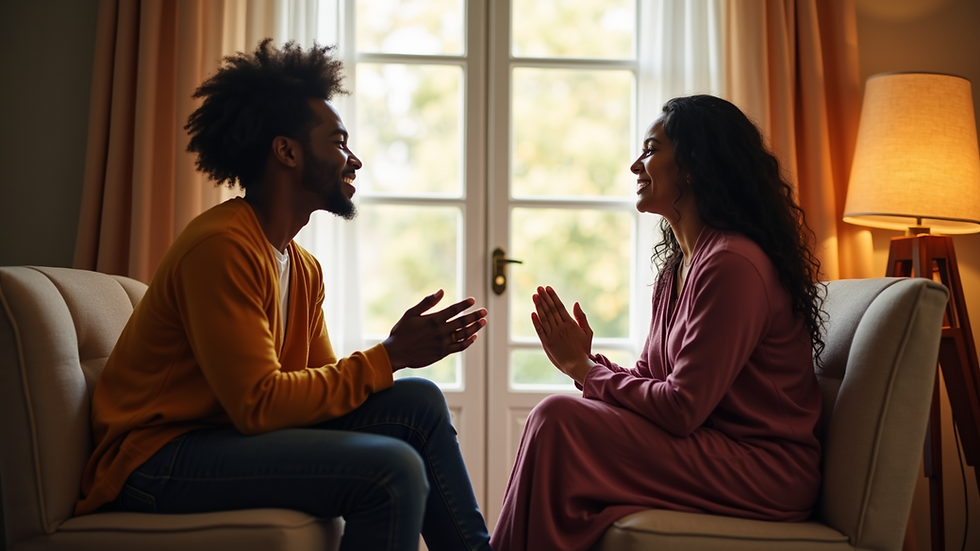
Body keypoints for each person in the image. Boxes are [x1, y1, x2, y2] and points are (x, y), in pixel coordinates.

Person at [76, 39, 493, 551]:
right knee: (391, 469)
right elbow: (259, 404)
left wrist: (394, 358)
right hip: (156, 461)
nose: (354, 159)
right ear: (287, 151)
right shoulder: (222, 247)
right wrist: (391, 354)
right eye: (339, 141)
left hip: (222, 437)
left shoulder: (303, 268)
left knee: (420, 403)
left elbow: (313, 394)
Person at [490, 94, 826, 551]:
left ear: (691, 164)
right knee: (555, 420)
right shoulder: (678, 268)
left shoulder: (733, 264)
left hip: (765, 470)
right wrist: (589, 362)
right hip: (711, 447)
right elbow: (654, 381)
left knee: (557, 418)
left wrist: (584, 371)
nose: (635, 165)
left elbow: (681, 408)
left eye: (650, 150)